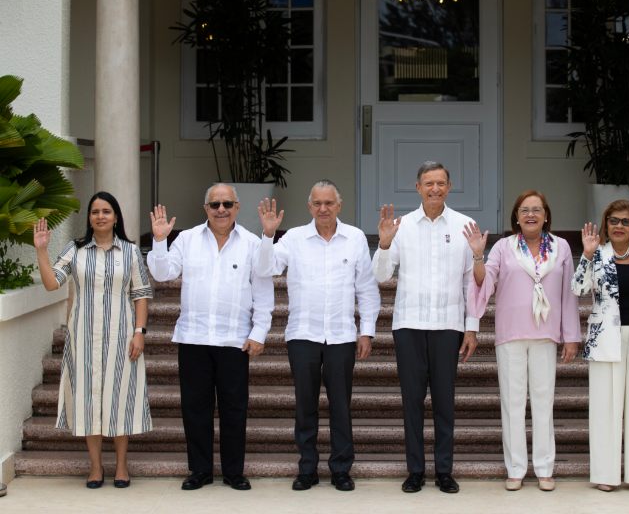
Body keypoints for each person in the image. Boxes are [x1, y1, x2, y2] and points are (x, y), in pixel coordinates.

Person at [146, 183, 273, 491]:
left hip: (234, 341)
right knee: (195, 408)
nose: (221, 210)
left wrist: (259, 332)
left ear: (237, 208)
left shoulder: (252, 243)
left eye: (227, 204)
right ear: (205, 209)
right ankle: (199, 471)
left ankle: (233, 472)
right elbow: (162, 273)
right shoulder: (187, 240)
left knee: (234, 409)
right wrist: (160, 241)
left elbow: (264, 293)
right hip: (194, 339)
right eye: (215, 204)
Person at [256, 180, 380, 492]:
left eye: (329, 203)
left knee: (341, 405)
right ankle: (307, 469)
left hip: (341, 336)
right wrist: (268, 235)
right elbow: (265, 268)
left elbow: (366, 288)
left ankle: (341, 469)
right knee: (305, 405)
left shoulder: (354, 239)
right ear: (309, 206)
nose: (323, 209)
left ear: (339, 206)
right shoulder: (293, 238)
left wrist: (366, 331)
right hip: (303, 334)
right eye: (317, 204)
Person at [372, 161, 478, 494]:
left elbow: (469, 283)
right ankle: (415, 470)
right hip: (410, 326)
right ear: (417, 187)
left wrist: (471, 327)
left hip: (448, 326)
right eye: (428, 183)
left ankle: (444, 471)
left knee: (445, 402)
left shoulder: (465, 226)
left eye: (441, 183)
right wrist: (385, 243)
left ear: (449, 186)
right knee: (412, 401)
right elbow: (380, 276)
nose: (435, 189)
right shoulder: (401, 226)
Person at [34, 191, 153, 489]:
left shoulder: (129, 251)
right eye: (95, 211)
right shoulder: (75, 250)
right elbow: (52, 284)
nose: (100, 216)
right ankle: (96, 467)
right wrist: (41, 251)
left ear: (116, 217)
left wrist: (140, 333)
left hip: (122, 337)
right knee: (88, 401)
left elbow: (140, 296)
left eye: (106, 211)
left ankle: (122, 467)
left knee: (120, 398)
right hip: (83, 339)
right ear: (89, 218)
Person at [465, 190, 581, 492]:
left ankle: (544, 468)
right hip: (511, 333)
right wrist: (478, 255)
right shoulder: (504, 247)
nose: (531, 214)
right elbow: (484, 282)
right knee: (512, 404)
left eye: (537, 210)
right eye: (525, 210)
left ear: (546, 216)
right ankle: (515, 468)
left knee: (544, 404)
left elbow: (568, 294)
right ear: (516, 216)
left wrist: (571, 335)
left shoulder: (561, 246)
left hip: (545, 333)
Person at [572, 199, 629, 492]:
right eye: (614, 221)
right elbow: (578, 289)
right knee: (604, 409)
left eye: (625, 221)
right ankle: (605, 475)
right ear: (606, 224)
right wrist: (586, 256)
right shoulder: (596, 254)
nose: (619, 226)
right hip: (605, 340)